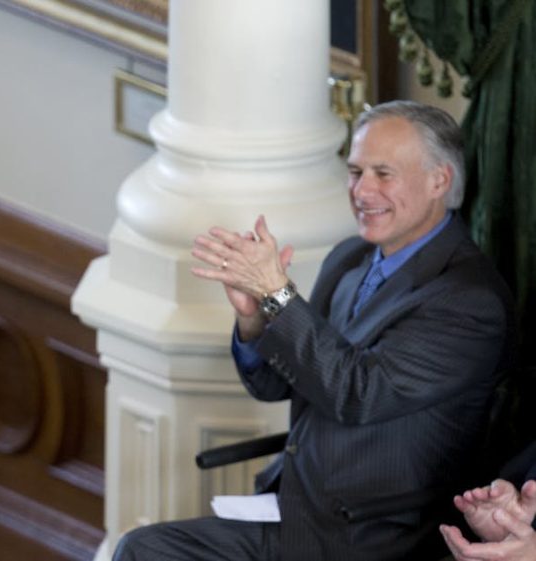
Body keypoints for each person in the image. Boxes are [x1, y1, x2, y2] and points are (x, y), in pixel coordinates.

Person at [112, 100, 514, 560]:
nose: (362, 190)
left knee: (144, 552)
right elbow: (273, 384)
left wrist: (277, 294)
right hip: (297, 506)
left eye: (383, 174)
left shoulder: (468, 301)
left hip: (372, 536)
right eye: (355, 172)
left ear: (439, 180)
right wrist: (254, 315)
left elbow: (356, 393)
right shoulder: (349, 258)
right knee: (143, 548)